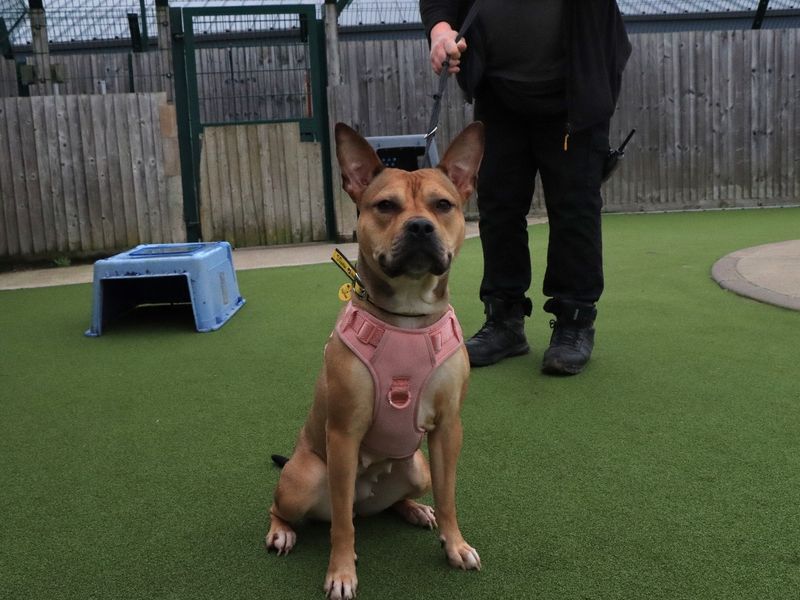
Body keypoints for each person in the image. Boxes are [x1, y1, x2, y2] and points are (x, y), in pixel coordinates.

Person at [420, 0, 632, 375]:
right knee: (499, 207)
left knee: (575, 209)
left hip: (573, 94)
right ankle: (504, 321)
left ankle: (574, 322)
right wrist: (441, 30)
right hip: (499, 92)